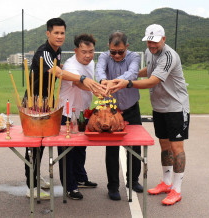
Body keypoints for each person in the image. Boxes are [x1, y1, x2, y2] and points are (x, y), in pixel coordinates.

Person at [23, 18, 104, 200]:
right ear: (48, 33)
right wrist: (82, 79)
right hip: (34, 103)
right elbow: (57, 72)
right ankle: (31, 186)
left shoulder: (56, 51)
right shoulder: (43, 52)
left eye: (62, 33)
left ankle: (35, 177)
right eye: (56, 33)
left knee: (42, 144)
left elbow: (59, 69)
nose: (60, 36)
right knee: (34, 146)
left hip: (47, 102)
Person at [110, 24, 190, 206]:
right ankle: (166, 182)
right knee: (164, 145)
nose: (151, 45)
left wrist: (127, 83)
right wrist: (129, 75)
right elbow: (149, 71)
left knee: (177, 148)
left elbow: (153, 80)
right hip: (160, 107)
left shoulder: (169, 56)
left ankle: (176, 190)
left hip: (176, 107)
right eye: (149, 42)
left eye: (154, 42)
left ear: (163, 39)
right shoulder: (149, 53)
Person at [95, 31, 143, 201]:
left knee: (135, 147)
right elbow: (99, 72)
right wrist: (103, 81)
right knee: (112, 149)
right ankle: (113, 186)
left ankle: (133, 180)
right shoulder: (103, 56)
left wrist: (112, 81)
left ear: (127, 47)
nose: (116, 55)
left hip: (131, 108)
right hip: (110, 110)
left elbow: (132, 74)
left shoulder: (134, 57)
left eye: (120, 52)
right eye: (113, 52)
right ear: (109, 48)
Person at [57, 34, 99, 200]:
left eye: (91, 51)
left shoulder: (92, 63)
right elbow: (78, 83)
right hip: (68, 114)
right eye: (84, 52)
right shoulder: (70, 64)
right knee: (68, 151)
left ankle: (80, 178)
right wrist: (98, 89)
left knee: (81, 148)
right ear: (76, 51)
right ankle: (70, 186)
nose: (88, 55)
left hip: (84, 112)